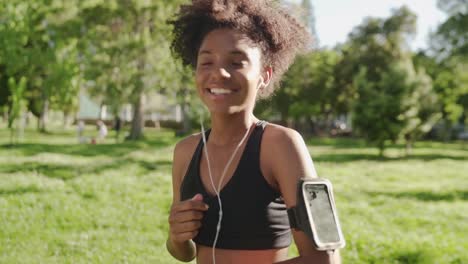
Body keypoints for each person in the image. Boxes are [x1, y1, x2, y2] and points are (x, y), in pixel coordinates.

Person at [166, 1, 341, 263]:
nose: (219, 73)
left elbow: (326, 258)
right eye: (206, 62)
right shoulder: (185, 152)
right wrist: (176, 237)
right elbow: (184, 253)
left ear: (264, 75)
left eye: (237, 62)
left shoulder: (282, 144)